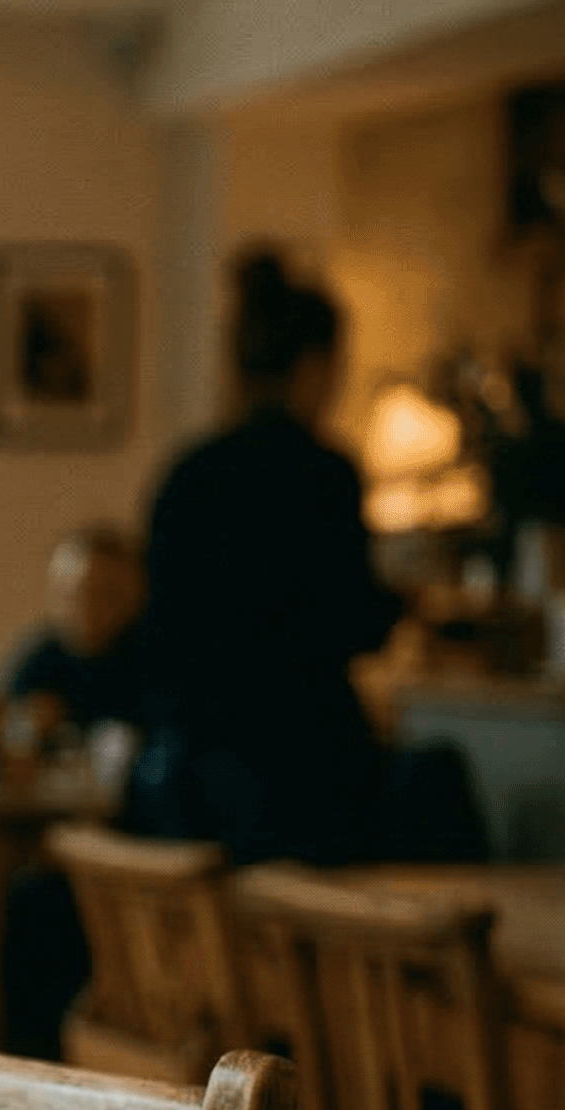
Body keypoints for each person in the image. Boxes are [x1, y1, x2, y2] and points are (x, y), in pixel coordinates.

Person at [125, 252, 405, 865]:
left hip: (194, 772)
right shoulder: (324, 474)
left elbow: (162, 623)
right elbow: (347, 617)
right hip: (301, 765)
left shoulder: (188, 473)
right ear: (314, 365)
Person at [1, 524, 146, 741]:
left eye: (102, 595)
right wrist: (28, 725)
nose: (86, 608)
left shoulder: (149, 660)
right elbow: (0, 732)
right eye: (72, 595)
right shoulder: (36, 660)